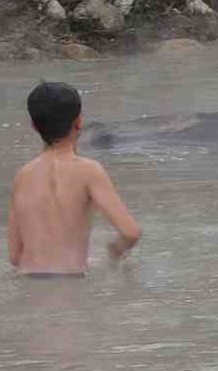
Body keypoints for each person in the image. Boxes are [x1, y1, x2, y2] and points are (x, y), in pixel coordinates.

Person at [8, 81, 141, 277]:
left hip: (28, 283)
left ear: (34, 126)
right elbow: (130, 232)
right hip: (70, 285)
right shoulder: (88, 170)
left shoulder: (22, 175)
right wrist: (114, 253)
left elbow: (14, 256)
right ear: (79, 121)